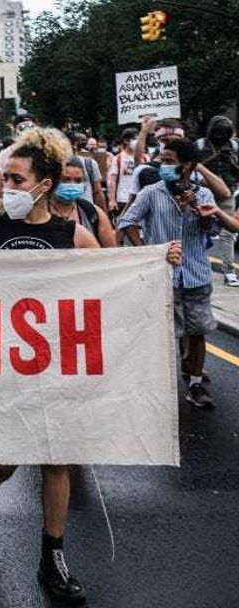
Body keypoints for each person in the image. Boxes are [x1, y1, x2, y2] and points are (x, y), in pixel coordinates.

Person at [0, 128, 122, 606]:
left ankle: (52, 557)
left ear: (43, 184)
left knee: (56, 458)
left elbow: (114, 280)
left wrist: (157, 261)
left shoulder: (74, 235)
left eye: (16, 178)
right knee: (6, 456)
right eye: (4, 178)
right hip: (5, 365)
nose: (6, 186)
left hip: (55, 366)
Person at [118, 139, 222, 410]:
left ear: (186, 165)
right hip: (163, 278)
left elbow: (210, 232)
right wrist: (147, 254)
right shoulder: (151, 193)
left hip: (197, 276)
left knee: (197, 331)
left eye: (168, 160)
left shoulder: (203, 195)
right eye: (161, 160)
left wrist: (198, 211)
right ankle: (159, 384)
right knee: (165, 333)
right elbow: (126, 222)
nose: (162, 165)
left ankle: (195, 383)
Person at [197, 115, 239, 287]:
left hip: (227, 193)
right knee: (199, 230)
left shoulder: (234, 146)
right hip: (204, 192)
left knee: (228, 233)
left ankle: (229, 271)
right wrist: (214, 157)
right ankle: (198, 265)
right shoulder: (200, 145)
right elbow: (194, 166)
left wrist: (230, 160)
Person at [48, 159, 117, 248]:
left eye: (78, 180)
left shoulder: (93, 214)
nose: (72, 185)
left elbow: (112, 254)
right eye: (65, 180)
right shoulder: (39, 212)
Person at [0, 114, 38, 215]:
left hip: (41, 214)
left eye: (31, 128)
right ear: (14, 131)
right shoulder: (3, 156)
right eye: (22, 128)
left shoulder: (46, 153)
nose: (26, 132)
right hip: (12, 213)